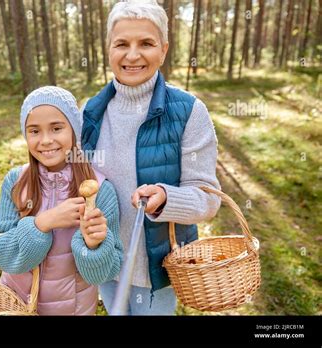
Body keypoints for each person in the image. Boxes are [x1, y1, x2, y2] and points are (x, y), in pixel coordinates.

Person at [80, 0, 221, 315]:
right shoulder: (90, 112)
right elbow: (77, 181)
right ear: (108, 49)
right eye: (122, 44)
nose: (132, 55)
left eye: (146, 43)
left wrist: (166, 198)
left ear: (164, 49)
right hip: (105, 259)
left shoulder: (188, 112)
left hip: (156, 269)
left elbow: (208, 200)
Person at [0, 86, 123, 315]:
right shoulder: (16, 183)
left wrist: (94, 245)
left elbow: (103, 275)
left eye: (56, 128)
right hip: (15, 306)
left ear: (74, 131)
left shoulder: (99, 191)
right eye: (34, 131)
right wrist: (42, 223)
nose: (46, 140)